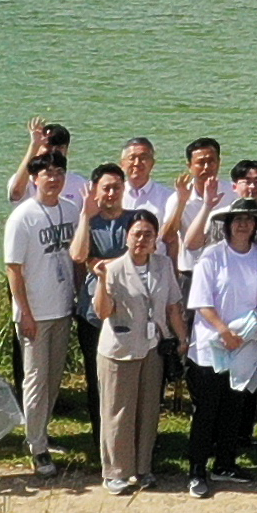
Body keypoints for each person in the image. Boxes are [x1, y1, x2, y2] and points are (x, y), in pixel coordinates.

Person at [185, 199, 257, 499]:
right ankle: (197, 469)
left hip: (247, 345)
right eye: (237, 219)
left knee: (234, 408)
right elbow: (201, 302)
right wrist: (224, 331)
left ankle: (225, 463)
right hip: (211, 346)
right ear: (227, 224)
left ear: (256, 226)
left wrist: (252, 326)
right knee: (206, 410)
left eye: (249, 220)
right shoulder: (211, 256)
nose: (242, 224)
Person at [3, 150, 81, 481]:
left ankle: (40, 433)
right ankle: (37, 447)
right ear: (34, 178)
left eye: (58, 172)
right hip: (35, 312)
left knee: (52, 379)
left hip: (62, 308)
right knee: (35, 380)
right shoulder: (23, 217)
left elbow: (77, 257)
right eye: (46, 173)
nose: (53, 178)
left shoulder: (71, 210)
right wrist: (25, 312)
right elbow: (13, 270)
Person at [87, 204, 174, 495]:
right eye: (137, 234)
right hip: (118, 349)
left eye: (148, 235)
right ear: (127, 237)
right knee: (117, 412)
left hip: (151, 347)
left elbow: (172, 304)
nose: (142, 240)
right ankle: (115, 472)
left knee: (148, 409)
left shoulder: (163, 265)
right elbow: (102, 312)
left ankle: (143, 467)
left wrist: (179, 338)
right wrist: (101, 280)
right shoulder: (111, 269)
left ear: (156, 238)